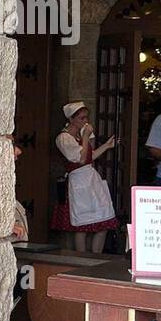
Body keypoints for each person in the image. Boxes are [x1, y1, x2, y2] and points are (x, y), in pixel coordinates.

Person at [50, 100, 118, 253]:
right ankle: (81, 259)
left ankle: (96, 259)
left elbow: (90, 156)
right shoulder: (63, 138)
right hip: (78, 179)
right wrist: (86, 137)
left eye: (86, 117)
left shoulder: (80, 135)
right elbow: (80, 158)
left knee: (104, 219)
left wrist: (106, 146)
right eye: (81, 118)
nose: (85, 121)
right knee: (81, 224)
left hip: (91, 178)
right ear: (71, 119)